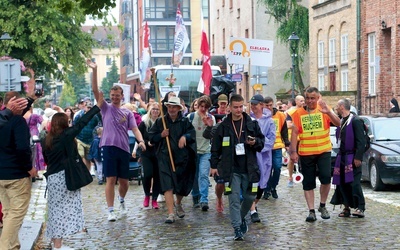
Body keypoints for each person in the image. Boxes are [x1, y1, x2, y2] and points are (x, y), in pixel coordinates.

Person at [87, 59, 146, 222]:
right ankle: (111, 210)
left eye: (117, 95)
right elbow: (94, 90)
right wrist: (94, 70)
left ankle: (121, 200)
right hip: (107, 147)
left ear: (121, 96)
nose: (114, 97)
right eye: (112, 95)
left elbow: (135, 129)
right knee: (111, 179)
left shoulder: (127, 113)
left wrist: (140, 141)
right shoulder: (105, 108)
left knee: (124, 182)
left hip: (123, 148)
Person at [41, 104, 100, 249]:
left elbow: (46, 161)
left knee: (54, 211)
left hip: (52, 179)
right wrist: (97, 107)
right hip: (65, 177)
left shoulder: (46, 140)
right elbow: (82, 123)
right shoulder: (66, 136)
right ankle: (58, 245)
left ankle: (56, 243)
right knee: (64, 211)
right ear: (63, 124)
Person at [210, 94, 265, 241]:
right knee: (233, 199)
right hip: (230, 170)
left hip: (249, 168)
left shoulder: (252, 124)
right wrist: (213, 166)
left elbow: (262, 143)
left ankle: (240, 219)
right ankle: (237, 229)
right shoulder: (223, 126)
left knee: (250, 196)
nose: (239, 110)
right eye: (235, 107)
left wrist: (255, 143)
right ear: (229, 107)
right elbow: (215, 148)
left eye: (241, 107)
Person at [288, 87, 340, 222]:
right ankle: (311, 211)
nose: (310, 101)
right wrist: (293, 152)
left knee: (326, 178)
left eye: (313, 98)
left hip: (324, 151)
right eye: (308, 98)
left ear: (318, 98)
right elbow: (294, 133)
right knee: (308, 182)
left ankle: (322, 205)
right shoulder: (298, 113)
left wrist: (328, 112)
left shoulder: (324, 109)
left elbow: (338, 123)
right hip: (306, 153)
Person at [148, 96, 197, 224]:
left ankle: (178, 203)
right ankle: (170, 214)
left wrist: (185, 137)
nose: (171, 109)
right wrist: (161, 135)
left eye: (174, 107)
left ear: (179, 108)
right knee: (167, 185)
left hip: (181, 158)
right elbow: (151, 137)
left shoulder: (185, 122)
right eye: (169, 106)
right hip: (164, 157)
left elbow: (192, 134)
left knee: (180, 185)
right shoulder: (160, 122)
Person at [0, 92, 37, 250]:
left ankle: (13, 246)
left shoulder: (2, 121)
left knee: (9, 213)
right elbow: (22, 149)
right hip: (17, 175)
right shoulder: (18, 122)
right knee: (15, 215)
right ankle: (6, 246)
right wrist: (29, 168)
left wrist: (31, 98)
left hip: (1, 175)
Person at [332, 98, 366, 218]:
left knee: (354, 183)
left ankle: (360, 207)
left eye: (337, 106)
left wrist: (358, 157)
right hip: (342, 156)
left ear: (342, 107)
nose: (336, 108)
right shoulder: (341, 120)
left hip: (352, 157)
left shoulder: (355, 120)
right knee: (342, 183)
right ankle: (346, 207)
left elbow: (361, 141)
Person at [248, 94, 276, 223]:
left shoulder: (269, 121)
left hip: (264, 157)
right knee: (251, 182)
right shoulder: (248, 119)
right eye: (252, 104)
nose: (253, 107)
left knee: (261, 185)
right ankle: (252, 210)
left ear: (262, 105)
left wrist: (260, 146)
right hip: (250, 156)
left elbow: (271, 139)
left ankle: (254, 203)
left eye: (256, 104)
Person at [188, 95, 216, 211]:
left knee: (203, 175)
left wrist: (208, 127)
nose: (203, 109)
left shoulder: (211, 118)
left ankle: (204, 199)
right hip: (193, 151)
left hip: (205, 150)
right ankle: (195, 196)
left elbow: (211, 136)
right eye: (201, 106)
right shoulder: (191, 117)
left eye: (206, 107)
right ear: (197, 106)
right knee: (194, 175)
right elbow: (187, 134)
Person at [134, 102, 162, 209]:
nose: (155, 111)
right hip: (146, 152)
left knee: (157, 176)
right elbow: (138, 136)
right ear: (150, 111)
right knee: (147, 174)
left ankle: (154, 199)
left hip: (158, 152)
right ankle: (147, 195)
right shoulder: (144, 123)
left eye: (157, 110)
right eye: (153, 109)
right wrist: (145, 142)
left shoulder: (161, 123)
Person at [263, 96, 290, 200]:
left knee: (277, 167)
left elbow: (284, 130)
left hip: (277, 146)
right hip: (265, 147)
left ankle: (273, 187)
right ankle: (266, 189)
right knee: (267, 170)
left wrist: (287, 143)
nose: (269, 107)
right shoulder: (261, 116)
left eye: (270, 105)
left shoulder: (280, 115)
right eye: (266, 105)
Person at [73, 101, 101, 174]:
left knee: (88, 158)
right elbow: (74, 125)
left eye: (90, 108)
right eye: (88, 107)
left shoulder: (95, 117)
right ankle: (82, 172)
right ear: (84, 107)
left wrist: (95, 132)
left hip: (90, 140)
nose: (89, 109)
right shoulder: (79, 116)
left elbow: (98, 125)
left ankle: (87, 173)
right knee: (81, 155)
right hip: (80, 138)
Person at [285, 95, 305, 187]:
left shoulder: (306, 111)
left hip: (304, 138)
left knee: (304, 158)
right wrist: (296, 124)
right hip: (293, 139)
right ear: (296, 102)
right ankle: (290, 178)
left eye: (303, 100)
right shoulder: (290, 112)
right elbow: (288, 125)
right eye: (301, 101)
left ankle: (304, 176)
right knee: (292, 159)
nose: (303, 102)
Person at [24, 106, 46, 180]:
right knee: (36, 154)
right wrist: (40, 130)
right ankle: (36, 173)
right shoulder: (35, 116)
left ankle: (29, 171)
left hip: (26, 135)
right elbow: (44, 122)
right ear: (31, 108)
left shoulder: (22, 116)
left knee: (29, 153)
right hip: (34, 135)